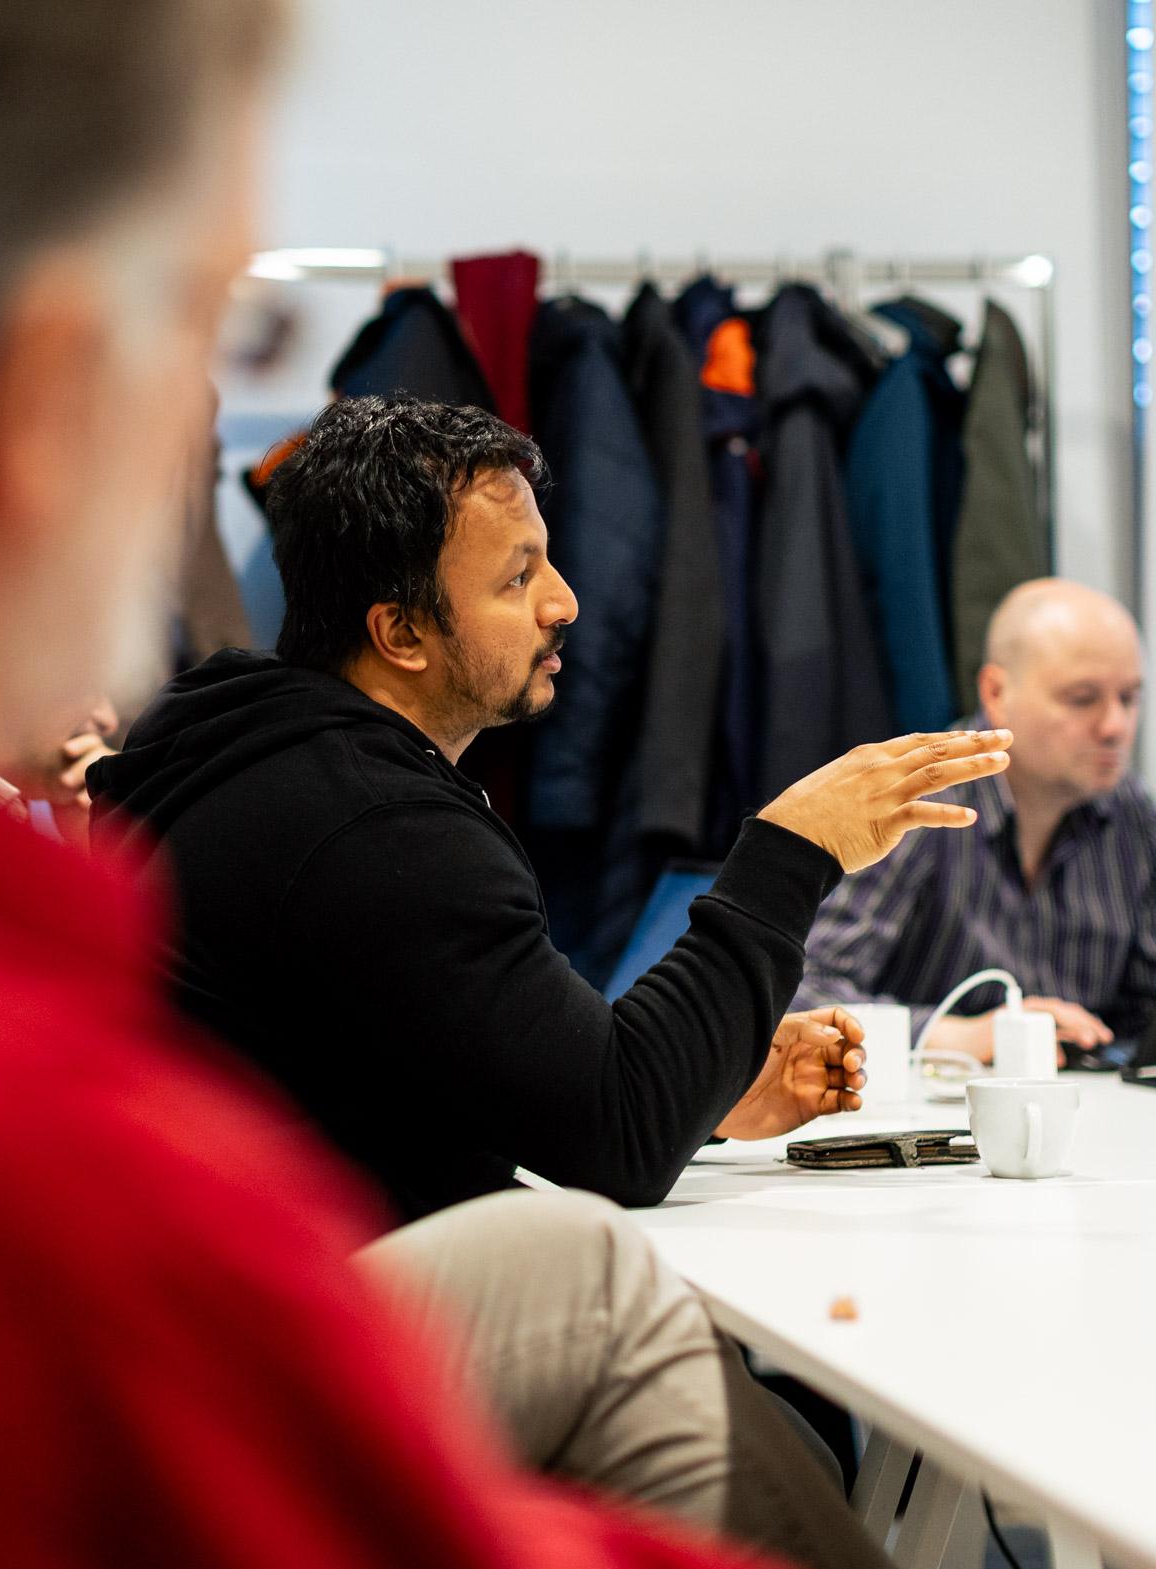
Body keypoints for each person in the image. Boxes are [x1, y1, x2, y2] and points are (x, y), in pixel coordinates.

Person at [0, 0, 1024, 1569]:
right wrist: (786, 847)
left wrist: (716, 1075)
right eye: (198, 347)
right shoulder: (297, 864)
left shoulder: (246, 780)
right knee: (593, 1280)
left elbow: (508, 1070)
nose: (569, 606)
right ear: (40, 396)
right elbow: (596, 1129)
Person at [91, 391, 1011, 1221]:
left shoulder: (263, 756)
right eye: (516, 578)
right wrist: (793, 847)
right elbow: (621, 1139)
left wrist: (702, 1089)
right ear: (400, 632)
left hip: (250, 1274)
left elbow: (483, 1082)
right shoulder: (375, 826)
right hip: (331, 1307)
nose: (564, 601)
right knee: (618, 1288)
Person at [796, 578, 1156, 1061]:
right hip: (912, 1097)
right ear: (996, 692)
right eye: (1082, 698)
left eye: (1129, 698)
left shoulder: (1133, 816)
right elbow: (803, 990)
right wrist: (960, 1036)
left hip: (1078, 1097)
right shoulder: (916, 800)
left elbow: (1143, 1014)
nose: (1115, 726)